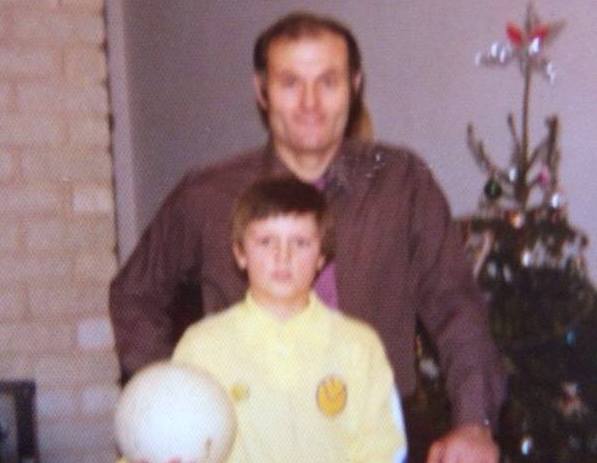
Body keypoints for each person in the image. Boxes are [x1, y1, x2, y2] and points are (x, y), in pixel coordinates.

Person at [110, 11, 505, 463]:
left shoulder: (402, 183)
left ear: (354, 86)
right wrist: (169, 410)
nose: (310, 103)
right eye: (290, 83)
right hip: (245, 443)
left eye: (328, 82)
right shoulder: (206, 195)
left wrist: (475, 422)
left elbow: (455, 302)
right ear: (262, 91)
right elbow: (135, 293)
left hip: (370, 437)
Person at [172, 177, 406, 462]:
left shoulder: (359, 344)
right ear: (240, 253)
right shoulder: (202, 346)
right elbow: (166, 436)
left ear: (321, 256)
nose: (283, 256)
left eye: (300, 243)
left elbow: (384, 448)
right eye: (266, 241)